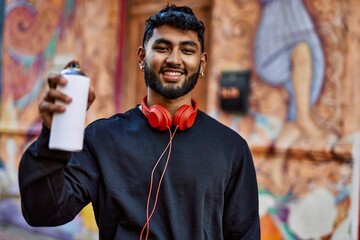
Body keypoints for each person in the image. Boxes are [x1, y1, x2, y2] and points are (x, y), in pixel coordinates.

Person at [18, 4, 260, 240]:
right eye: (163, 48)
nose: (175, 59)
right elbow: (44, 212)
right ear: (142, 56)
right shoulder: (102, 137)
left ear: (202, 63)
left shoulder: (231, 148)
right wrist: (54, 134)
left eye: (187, 50)